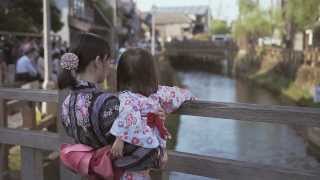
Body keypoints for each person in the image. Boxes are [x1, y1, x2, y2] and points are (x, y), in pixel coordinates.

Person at [59, 33, 164, 180]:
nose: (110, 66)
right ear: (98, 61)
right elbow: (141, 149)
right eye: (109, 60)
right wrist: (153, 120)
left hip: (90, 174)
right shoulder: (108, 103)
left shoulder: (66, 103)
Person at [110, 48, 195, 179]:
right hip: (154, 149)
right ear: (151, 73)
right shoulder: (158, 93)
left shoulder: (126, 98)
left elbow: (126, 115)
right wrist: (190, 96)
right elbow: (177, 93)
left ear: (121, 75)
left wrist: (120, 137)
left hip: (135, 152)